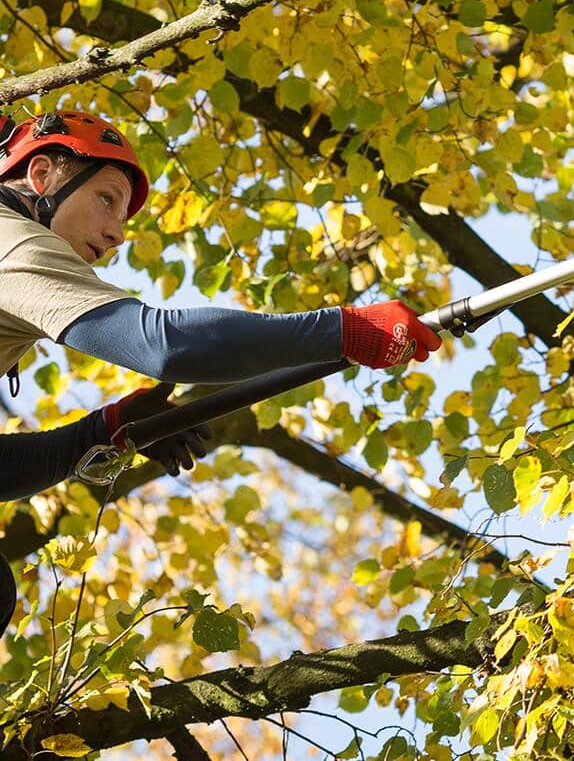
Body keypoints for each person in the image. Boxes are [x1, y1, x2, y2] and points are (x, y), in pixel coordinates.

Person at [0, 109, 444, 625]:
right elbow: (165, 345)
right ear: (42, 176)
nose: (117, 233)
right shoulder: (14, 241)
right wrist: (342, 331)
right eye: (107, 199)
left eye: (122, 217)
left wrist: (106, 430)